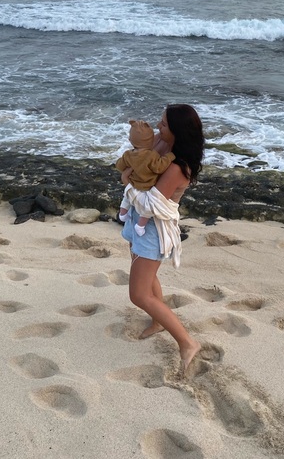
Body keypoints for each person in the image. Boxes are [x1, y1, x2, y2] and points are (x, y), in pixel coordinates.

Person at [120, 104, 204, 374]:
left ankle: (188, 342)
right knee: (146, 278)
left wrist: (127, 182)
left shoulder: (179, 167)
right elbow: (137, 153)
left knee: (138, 294)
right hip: (138, 221)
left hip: (153, 229)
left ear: (178, 132)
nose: (158, 126)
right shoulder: (161, 143)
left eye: (164, 124)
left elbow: (149, 204)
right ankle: (157, 321)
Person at [115, 120, 175, 236]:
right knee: (147, 209)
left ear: (130, 140)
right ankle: (140, 225)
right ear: (151, 140)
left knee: (127, 197)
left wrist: (124, 165)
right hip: (146, 187)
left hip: (132, 184)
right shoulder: (151, 155)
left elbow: (120, 166)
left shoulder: (128, 155)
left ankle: (122, 214)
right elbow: (159, 167)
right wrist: (169, 156)